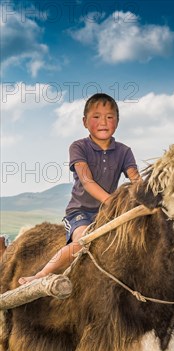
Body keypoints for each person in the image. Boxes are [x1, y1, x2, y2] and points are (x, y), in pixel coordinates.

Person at [19, 93, 141, 284]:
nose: (103, 122)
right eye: (96, 117)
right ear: (84, 122)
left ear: (117, 122)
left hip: (109, 213)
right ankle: (41, 274)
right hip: (81, 212)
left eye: (109, 117)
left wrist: (147, 196)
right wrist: (112, 201)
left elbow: (136, 179)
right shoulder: (78, 147)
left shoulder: (124, 151)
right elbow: (86, 180)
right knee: (83, 239)